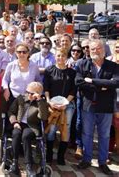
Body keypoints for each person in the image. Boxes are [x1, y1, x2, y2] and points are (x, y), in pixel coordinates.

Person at [75, 39, 119, 175]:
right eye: (92, 49)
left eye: (98, 48)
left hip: (105, 107)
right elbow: (79, 82)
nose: (95, 51)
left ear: (104, 50)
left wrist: (93, 81)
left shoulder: (113, 66)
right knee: (87, 134)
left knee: (104, 135)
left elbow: (116, 83)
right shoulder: (82, 64)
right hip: (88, 106)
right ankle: (87, 159)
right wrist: (103, 86)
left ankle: (102, 161)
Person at [7, 82, 49, 176]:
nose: (28, 94)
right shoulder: (21, 98)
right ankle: (14, 163)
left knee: (26, 136)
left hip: (32, 126)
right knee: (16, 134)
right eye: (27, 91)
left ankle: (29, 166)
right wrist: (14, 122)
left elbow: (43, 117)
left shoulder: (41, 103)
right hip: (18, 123)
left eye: (31, 93)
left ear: (37, 94)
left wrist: (39, 101)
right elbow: (11, 111)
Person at [44, 48, 76, 165]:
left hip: (67, 105)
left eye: (63, 56)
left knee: (65, 129)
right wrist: (49, 102)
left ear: (66, 57)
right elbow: (46, 87)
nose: (60, 58)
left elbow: (73, 89)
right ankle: (49, 155)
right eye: (58, 56)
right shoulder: (49, 70)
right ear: (55, 57)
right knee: (51, 129)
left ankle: (61, 156)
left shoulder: (72, 72)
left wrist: (65, 103)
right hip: (52, 105)